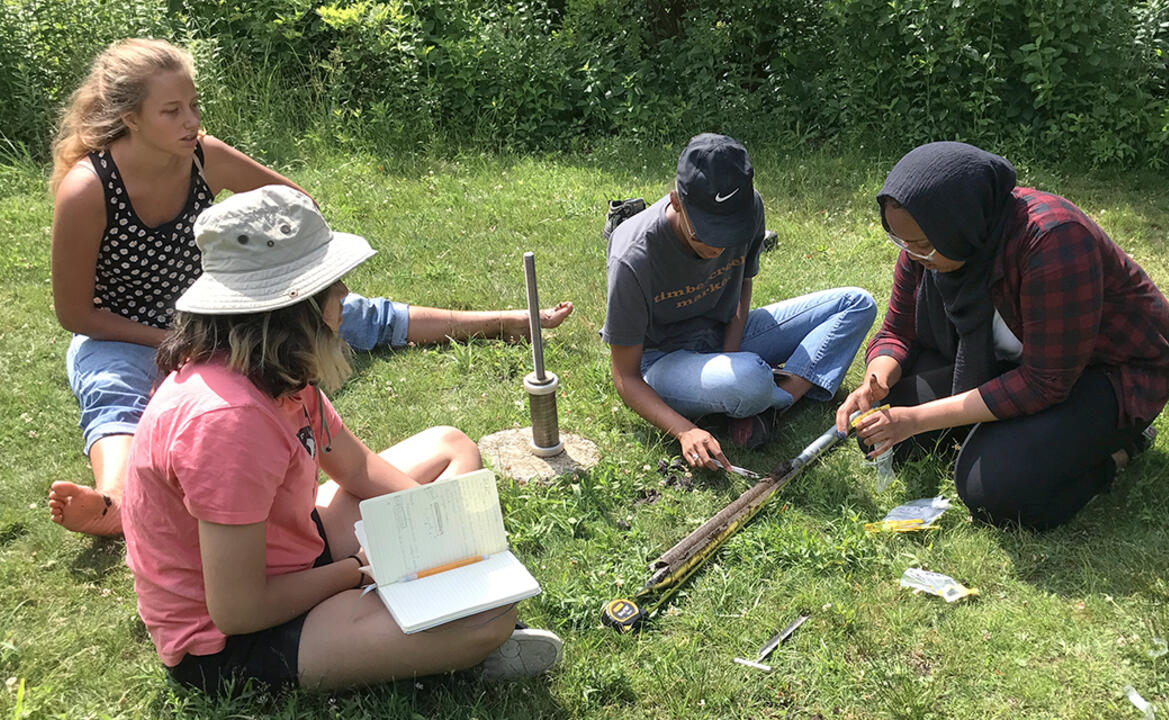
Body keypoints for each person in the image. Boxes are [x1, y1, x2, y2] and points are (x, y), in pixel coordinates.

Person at [46, 38, 572, 536]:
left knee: (357, 312)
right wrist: (169, 343)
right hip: (127, 329)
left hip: (236, 309)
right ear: (129, 118)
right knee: (115, 387)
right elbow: (76, 314)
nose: (191, 121)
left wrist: (285, 274)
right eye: (172, 111)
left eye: (194, 104)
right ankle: (113, 500)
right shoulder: (88, 190)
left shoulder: (205, 156)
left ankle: (508, 320)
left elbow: (295, 200)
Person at [122, 184, 562, 694]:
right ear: (294, 306)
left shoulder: (272, 369)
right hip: (233, 640)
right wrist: (356, 571)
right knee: (491, 621)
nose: (345, 296)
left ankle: (419, 625)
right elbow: (239, 610)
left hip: (289, 550)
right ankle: (442, 640)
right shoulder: (227, 422)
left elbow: (355, 469)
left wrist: (440, 534)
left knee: (450, 447)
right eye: (332, 284)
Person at [835, 141, 1169, 531]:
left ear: (960, 223)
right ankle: (1000, 433)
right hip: (1006, 361)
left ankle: (1118, 452)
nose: (911, 254)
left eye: (921, 245)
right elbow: (898, 330)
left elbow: (1045, 383)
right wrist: (875, 381)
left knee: (993, 492)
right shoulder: (934, 235)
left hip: (1104, 373)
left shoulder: (1053, 240)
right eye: (900, 241)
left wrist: (915, 419)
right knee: (879, 433)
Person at [602, 133, 877, 471]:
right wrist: (685, 431)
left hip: (724, 337)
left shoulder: (751, 208)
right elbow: (625, 377)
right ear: (676, 201)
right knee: (747, 379)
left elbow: (741, 288)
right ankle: (760, 391)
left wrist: (729, 356)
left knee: (856, 304)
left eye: (728, 233)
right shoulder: (633, 256)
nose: (717, 248)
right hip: (662, 363)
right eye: (704, 234)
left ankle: (781, 396)